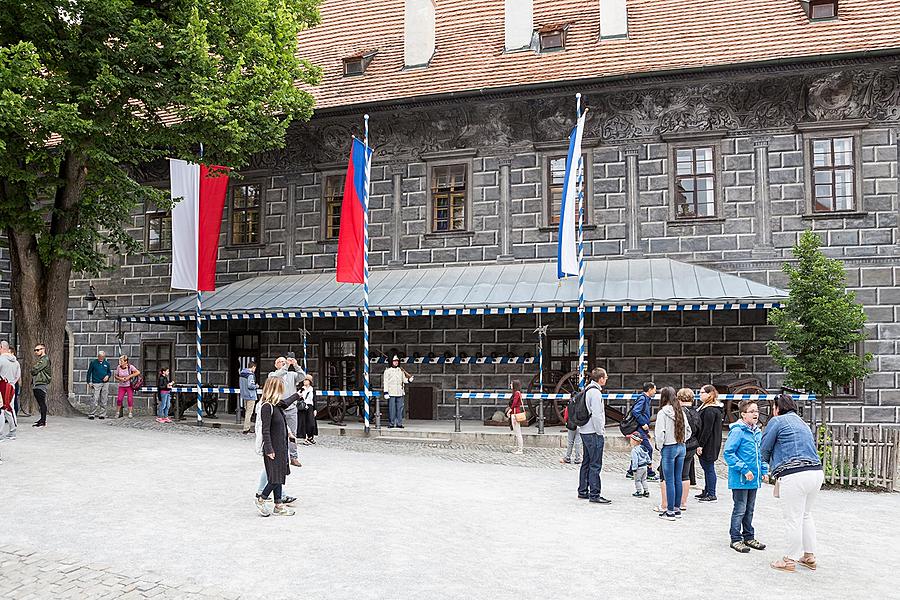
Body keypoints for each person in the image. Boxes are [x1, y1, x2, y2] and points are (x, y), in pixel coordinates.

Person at [761, 394, 824, 573]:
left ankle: (789, 560)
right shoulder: (802, 422)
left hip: (794, 474)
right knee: (805, 515)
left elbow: (765, 447)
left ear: (777, 408)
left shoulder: (777, 421)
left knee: (793, 518)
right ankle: (809, 556)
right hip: (815, 472)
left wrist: (764, 465)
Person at [723, 400, 768, 553]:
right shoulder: (738, 431)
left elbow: (760, 455)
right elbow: (728, 453)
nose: (756, 414)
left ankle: (749, 536)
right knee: (740, 509)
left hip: (753, 479)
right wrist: (744, 469)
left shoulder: (756, 431)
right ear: (743, 414)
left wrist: (763, 470)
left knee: (750, 509)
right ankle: (735, 539)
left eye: (757, 411)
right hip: (741, 479)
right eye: (752, 411)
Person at [255, 377, 300, 517]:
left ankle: (278, 505)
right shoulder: (267, 407)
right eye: (281, 388)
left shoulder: (277, 405)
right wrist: (268, 449)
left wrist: (298, 395)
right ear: (275, 389)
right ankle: (261, 499)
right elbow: (265, 430)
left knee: (279, 475)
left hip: (281, 446)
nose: (283, 391)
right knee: (275, 478)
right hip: (273, 448)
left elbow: (286, 403)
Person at [655, 386, 691, 521]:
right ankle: (676, 509)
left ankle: (669, 512)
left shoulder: (662, 413)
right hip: (681, 446)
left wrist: (660, 447)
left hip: (669, 447)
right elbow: (688, 430)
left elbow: (660, 434)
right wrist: (682, 441)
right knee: (678, 479)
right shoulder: (680, 411)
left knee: (669, 480)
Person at [577, 367, 611, 504]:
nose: (606, 379)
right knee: (595, 464)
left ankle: (583, 490)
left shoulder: (586, 390)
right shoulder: (596, 393)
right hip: (593, 432)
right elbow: (597, 415)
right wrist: (600, 431)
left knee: (586, 461)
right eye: (606, 377)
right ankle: (595, 494)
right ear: (601, 378)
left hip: (584, 430)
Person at [268, 355, 305, 467]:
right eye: (280, 362)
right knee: (279, 434)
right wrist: (287, 366)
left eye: (284, 361)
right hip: (278, 409)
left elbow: (303, 377)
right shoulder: (273, 374)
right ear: (276, 364)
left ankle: (294, 457)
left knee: (292, 434)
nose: (283, 363)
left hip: (292, 409)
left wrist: (296, 365)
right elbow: (278, 375)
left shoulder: (292, 375)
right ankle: (281, 456)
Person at [696, 385, 724, 502]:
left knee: (709, 468)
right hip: (711, 442)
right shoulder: (709, 407)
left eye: (702, 392)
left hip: (709, 443)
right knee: (706, 467)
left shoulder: (710, 410)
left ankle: (711, 493)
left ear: (709, 394)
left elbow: (707, 429)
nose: (700, 394)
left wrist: (700, 444)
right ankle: (707, 490)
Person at [678, 387, 703, 511]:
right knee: (685, 475)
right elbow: (699, 429)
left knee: (676, 474)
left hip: (681, 444)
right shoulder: (696, 412)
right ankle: (684, 502)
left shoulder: (679, 412)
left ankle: (675, 500)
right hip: (692, 444)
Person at [627, 382, 657, 480]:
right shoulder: (643, 398)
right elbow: (636, 411)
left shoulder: (646, 399)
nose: (655, 391)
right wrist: (643, 423)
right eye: (654, 389)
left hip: (642, 430)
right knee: (648, 449)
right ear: (649, 389)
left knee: (639, 449)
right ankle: (649, 472)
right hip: (640, 429)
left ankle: (631, 471)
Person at [383, 355, 412, 429]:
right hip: (391, 392)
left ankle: (399, 423)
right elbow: (385, 382)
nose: (396, 362)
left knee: (400, 409)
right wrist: (386, 392)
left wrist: (409, 380)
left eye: (397, 361)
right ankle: (391, 423)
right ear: (391, 362)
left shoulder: (400, 370)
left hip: (400, 391)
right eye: (394, 361)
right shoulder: (387, 371)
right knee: (392, 409)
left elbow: (404, 380)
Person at [0, 341, 19, 441]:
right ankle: (13, 432)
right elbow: (17, 376)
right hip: (11, 387)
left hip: (1, 387)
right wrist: (11, 384)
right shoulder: (16, 362)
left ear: (1, 347)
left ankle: (0, 434)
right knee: (9, 409)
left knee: (1, 410)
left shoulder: (1, 360)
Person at [85, 350, 112, 420]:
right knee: (95, 398)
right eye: (100, 356)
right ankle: (91, 414)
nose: (101, 358)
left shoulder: (106, 363)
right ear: (98, 356)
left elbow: (109, 372)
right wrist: (89, 382)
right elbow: (89, 372)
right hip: (96, 383)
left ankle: (102, 414)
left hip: (105, 383)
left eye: (103, 357)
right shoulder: (93, 363)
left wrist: (107, 376)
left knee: (104, 399)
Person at [31, 343, 51, 427]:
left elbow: (35, 369)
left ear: (43, 349)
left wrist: (33, 369)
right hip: (38, 382)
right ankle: (42, 419)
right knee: (40, 402)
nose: (36, 352)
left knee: (42, 402)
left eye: (38, 350)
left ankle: (43, 421)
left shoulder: (44, 359)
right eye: (35, 350)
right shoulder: (42, 359)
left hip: (41, 382)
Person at [629, 432, 651, 498]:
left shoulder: (634, 450)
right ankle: (646, 491)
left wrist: (634, 469)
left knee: (637, 480)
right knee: (644, 479)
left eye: (631, 440)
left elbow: (635, 460)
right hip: (645, 467)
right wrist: (649, 463)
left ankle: (639, 492)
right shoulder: (643, 448)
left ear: (634, 441)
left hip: (639, 468)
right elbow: (647, 456)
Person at [505, 379, 525, 455]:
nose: (510, 385)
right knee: (516, 432)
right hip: (514, 412)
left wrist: (510, 410)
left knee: (518, 432)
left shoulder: (516, 393)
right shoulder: (516, 393)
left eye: (511, 384)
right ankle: (518, 448)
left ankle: (520, 449)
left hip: (515, 413)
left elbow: (514, 403)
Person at [239, 362, 259, 434]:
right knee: (249, 413)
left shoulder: (242, 374)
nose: (255, 370)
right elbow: (250, 385)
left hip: (244, 395)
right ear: (253, 367)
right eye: (255, 368)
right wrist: (256, 386)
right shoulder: (250, 375)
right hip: (251, 395)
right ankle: (246, 428)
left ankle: (247, 427)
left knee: (246, 411)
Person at [298, 374, 318, 444]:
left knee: (311, 423)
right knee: (303, 423)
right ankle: (305, 438)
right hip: (303, 407)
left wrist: (315, 409)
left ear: (309, 381)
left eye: (306, 380)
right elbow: (298, 398)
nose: (304, 381)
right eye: (304, 380)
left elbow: (314, 399)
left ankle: (310, 437)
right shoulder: (301, 389)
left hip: (310, 407)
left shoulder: (312, 390)